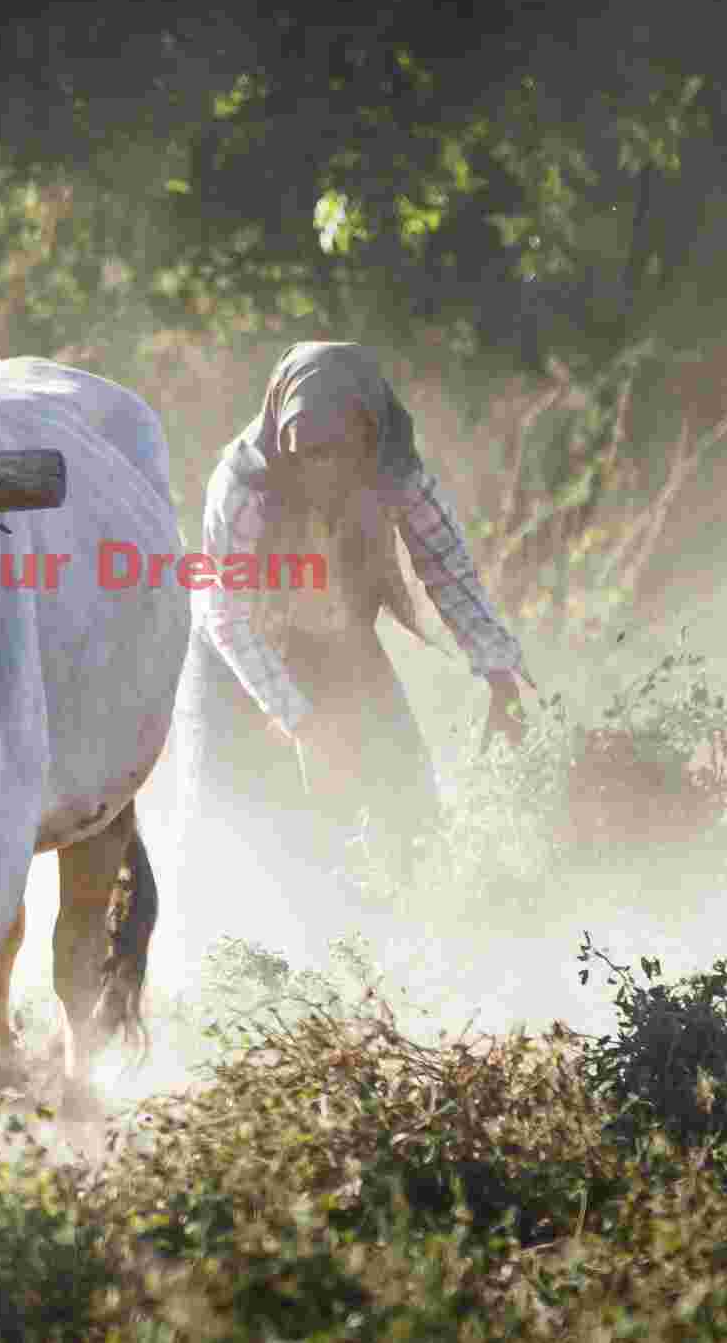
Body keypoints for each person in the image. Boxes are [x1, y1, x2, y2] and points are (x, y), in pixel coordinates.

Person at [172, 341, 532, 960]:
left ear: (370, 436)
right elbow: (225, 615)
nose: (319, 470)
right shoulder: (242, 482)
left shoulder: (401, 475)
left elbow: (447, 571)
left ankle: (417, 966)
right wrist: (303, 725)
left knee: (410, 811)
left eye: (335, 452)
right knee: (227, 824)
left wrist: (498, 671)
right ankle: (213, 979)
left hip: (339, 646)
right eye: (303, 454)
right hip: (237, 662)